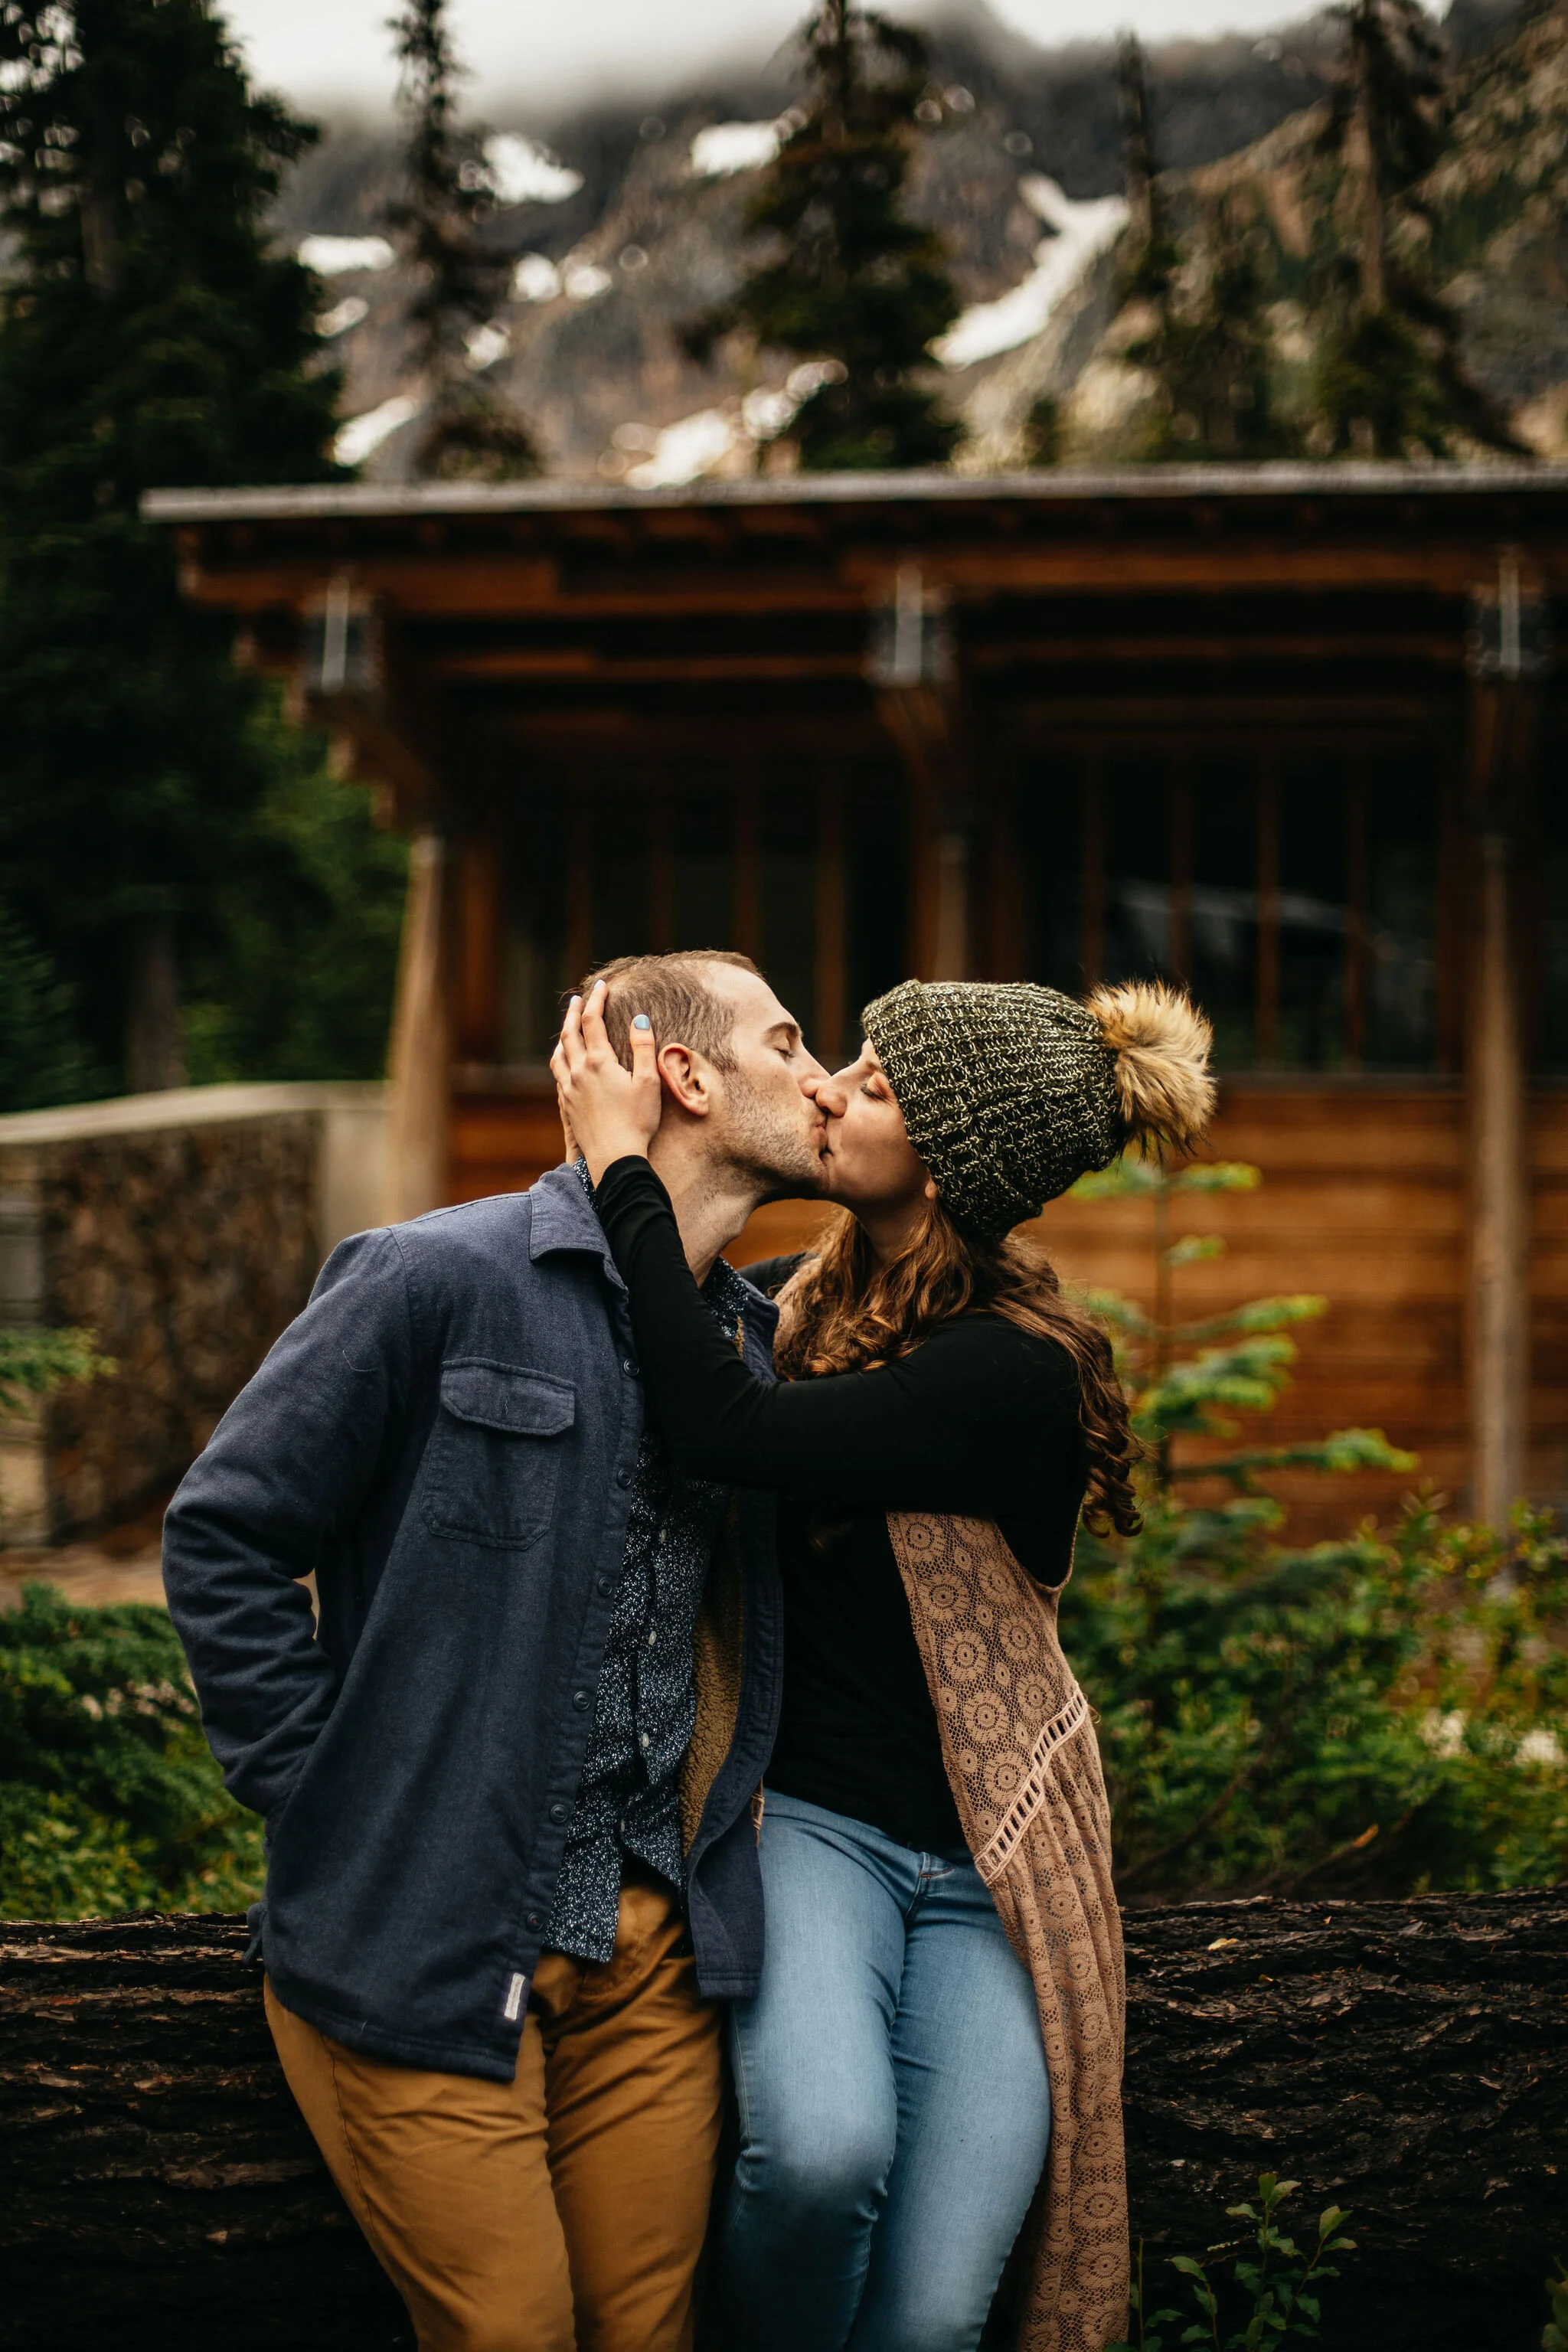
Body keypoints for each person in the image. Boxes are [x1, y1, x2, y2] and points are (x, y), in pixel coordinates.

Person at [162, 950, 828, 2352]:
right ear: (685, 1076)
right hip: (427, 1938)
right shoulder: (431, 1280)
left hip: (653, 1961)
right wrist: (327, 1793)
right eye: (790, 1041)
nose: (822, 1080)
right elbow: (224, 1533)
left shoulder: (751, 1359)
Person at [553, 972, 1216, 2352]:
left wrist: (618, 1160)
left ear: (951, 1156)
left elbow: (724, 1430)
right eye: (841, 1060)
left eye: (875, 1080)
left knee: (929, 2319)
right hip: (812, 1829)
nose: (829, 1089)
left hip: (995, 1870)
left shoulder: (1008, 1372)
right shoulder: (799, 1305)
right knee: (818, 2163)